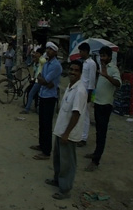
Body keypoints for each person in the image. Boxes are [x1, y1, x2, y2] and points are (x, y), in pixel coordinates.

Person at [45, 60, 87, 200]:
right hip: (60, 130)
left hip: (68, 133)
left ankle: (65, 189)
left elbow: (76, 114)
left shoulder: (80, 91)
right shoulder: (70, 86)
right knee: (58, 159)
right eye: (71, 70)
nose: (72, 72)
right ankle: (57, 180)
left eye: (76, 70)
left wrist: (67, 133)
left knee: (67, 163)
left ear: (81, 73)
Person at [84, 46, 121, 172]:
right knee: (98, 131)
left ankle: (96, 161)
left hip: (106, 105)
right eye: (101, 56)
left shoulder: (113, 68)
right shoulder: (101, 68)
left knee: (102, 133)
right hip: (98, 103)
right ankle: (95, 153)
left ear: (110, 57)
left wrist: (106, 76)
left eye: (104, 56)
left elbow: (118, 83)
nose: (102, 58)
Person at [32, 42, 63, 160]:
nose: (48, 51)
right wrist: (43, 80)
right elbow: (41, 77)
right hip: (43, 94)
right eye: (48, 49)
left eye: (51, 49)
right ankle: (41, 144)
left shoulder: (56, 66)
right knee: (42, 123)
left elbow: (45, 80)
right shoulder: (46, 63)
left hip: (50, 97)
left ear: (55, 52)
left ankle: (46, 151)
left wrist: (43, 80)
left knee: (47, 124)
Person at [77, 42, 96, 147]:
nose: (80, 53)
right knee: (80, 113)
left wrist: (90, 94)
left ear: (85, 51)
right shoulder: (83, 63)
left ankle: (84, 137)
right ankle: (80, 135)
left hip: (87, 92)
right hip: (81, 90)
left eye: (81, 51)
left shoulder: (91, 63)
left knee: (86, 115)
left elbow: (92, 80)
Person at [21, 47, 46, 114]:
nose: (36, 54)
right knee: (32, 93)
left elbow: (42, 61)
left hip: (40, 80)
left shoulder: (42, 60)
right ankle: (32, 107)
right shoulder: (36, 63)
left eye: (37, 53)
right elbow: (34, 71)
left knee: (32, 93)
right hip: (36, 80)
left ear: (40, 54)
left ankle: (27, 109)